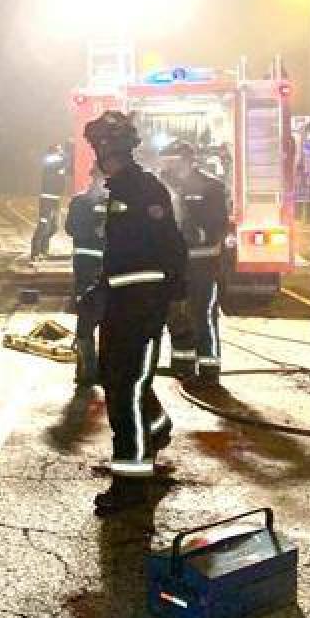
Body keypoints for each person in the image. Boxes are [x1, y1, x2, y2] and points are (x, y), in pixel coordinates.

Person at [78, 111, 188, 514]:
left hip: (140, 310)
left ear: (112, 150)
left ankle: (131, 484)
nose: (98, 156)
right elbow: (123, 254)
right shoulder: (121, 188)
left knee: (126, 392)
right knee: (118, 380)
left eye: (101, 148)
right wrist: (101, 288)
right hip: (121, 306)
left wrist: (174, 305)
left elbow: (170, 247)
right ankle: (156, 429)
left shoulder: (143, 188)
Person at [159, 139, 230, 385]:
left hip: (202, 263)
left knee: (201, 313)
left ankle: (209, 368)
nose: (168, 167)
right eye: (165, 161)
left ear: (187, 161)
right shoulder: (161, 188)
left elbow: (218, 225)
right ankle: (182, 365)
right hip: (173, 263)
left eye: (173, 161)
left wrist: (195, 230)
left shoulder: (211, 187)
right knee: (175, 314)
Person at [64, 167, 108, 386]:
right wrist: (94, 228)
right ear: (94, 178)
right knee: (86, 315)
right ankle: (86, 370)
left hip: (108, 266)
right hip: (87, 266)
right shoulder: (81, 202)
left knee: (106, 316)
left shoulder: (114, 203)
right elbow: (71, 228)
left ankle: (97, 369)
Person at [30, 142, 70, 259]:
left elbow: (66, 163)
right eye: (59, 150)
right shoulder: (50, 161)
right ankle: (36, 252)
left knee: (54, 227)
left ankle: (43, 250)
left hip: (55, 198)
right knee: (43, 224)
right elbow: (64, 160)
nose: (61, 152)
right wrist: (68, 149)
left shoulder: (58, 162)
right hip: (47, 198)